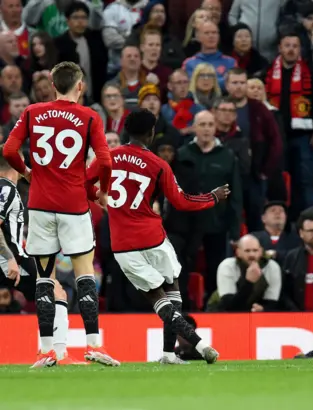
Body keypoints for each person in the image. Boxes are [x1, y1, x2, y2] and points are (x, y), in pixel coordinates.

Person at [86, 109, 230, 365]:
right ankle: (199, 344)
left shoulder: (108, 156)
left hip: (124, 243)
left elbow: (85, 181)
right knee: (172, 295)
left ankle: (168, 353)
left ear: (127, 131)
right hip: (153, 238)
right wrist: (212, 197)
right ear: (152, 133)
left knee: (160, 300)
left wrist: (99, 196)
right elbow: (181, 201)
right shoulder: (158, 164)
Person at [2, 61, 116, 368]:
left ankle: (46, 349)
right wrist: (103, 192)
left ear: (53, 85)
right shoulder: (89, 116)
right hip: (74, 205)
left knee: (44, 277)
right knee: (84, 273)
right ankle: (93, 345)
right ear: (80, 86)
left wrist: (27, 173)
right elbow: (105, 161)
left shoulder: (32, 112)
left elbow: (10, 150)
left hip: (39, 204)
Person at [0, 147, 82, 365]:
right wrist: (9, 257)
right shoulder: (6, 189)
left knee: (53, 291)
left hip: (13, 257)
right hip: (10, 258)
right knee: (56, 292)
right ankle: (56, 353)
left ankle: (51, 353)